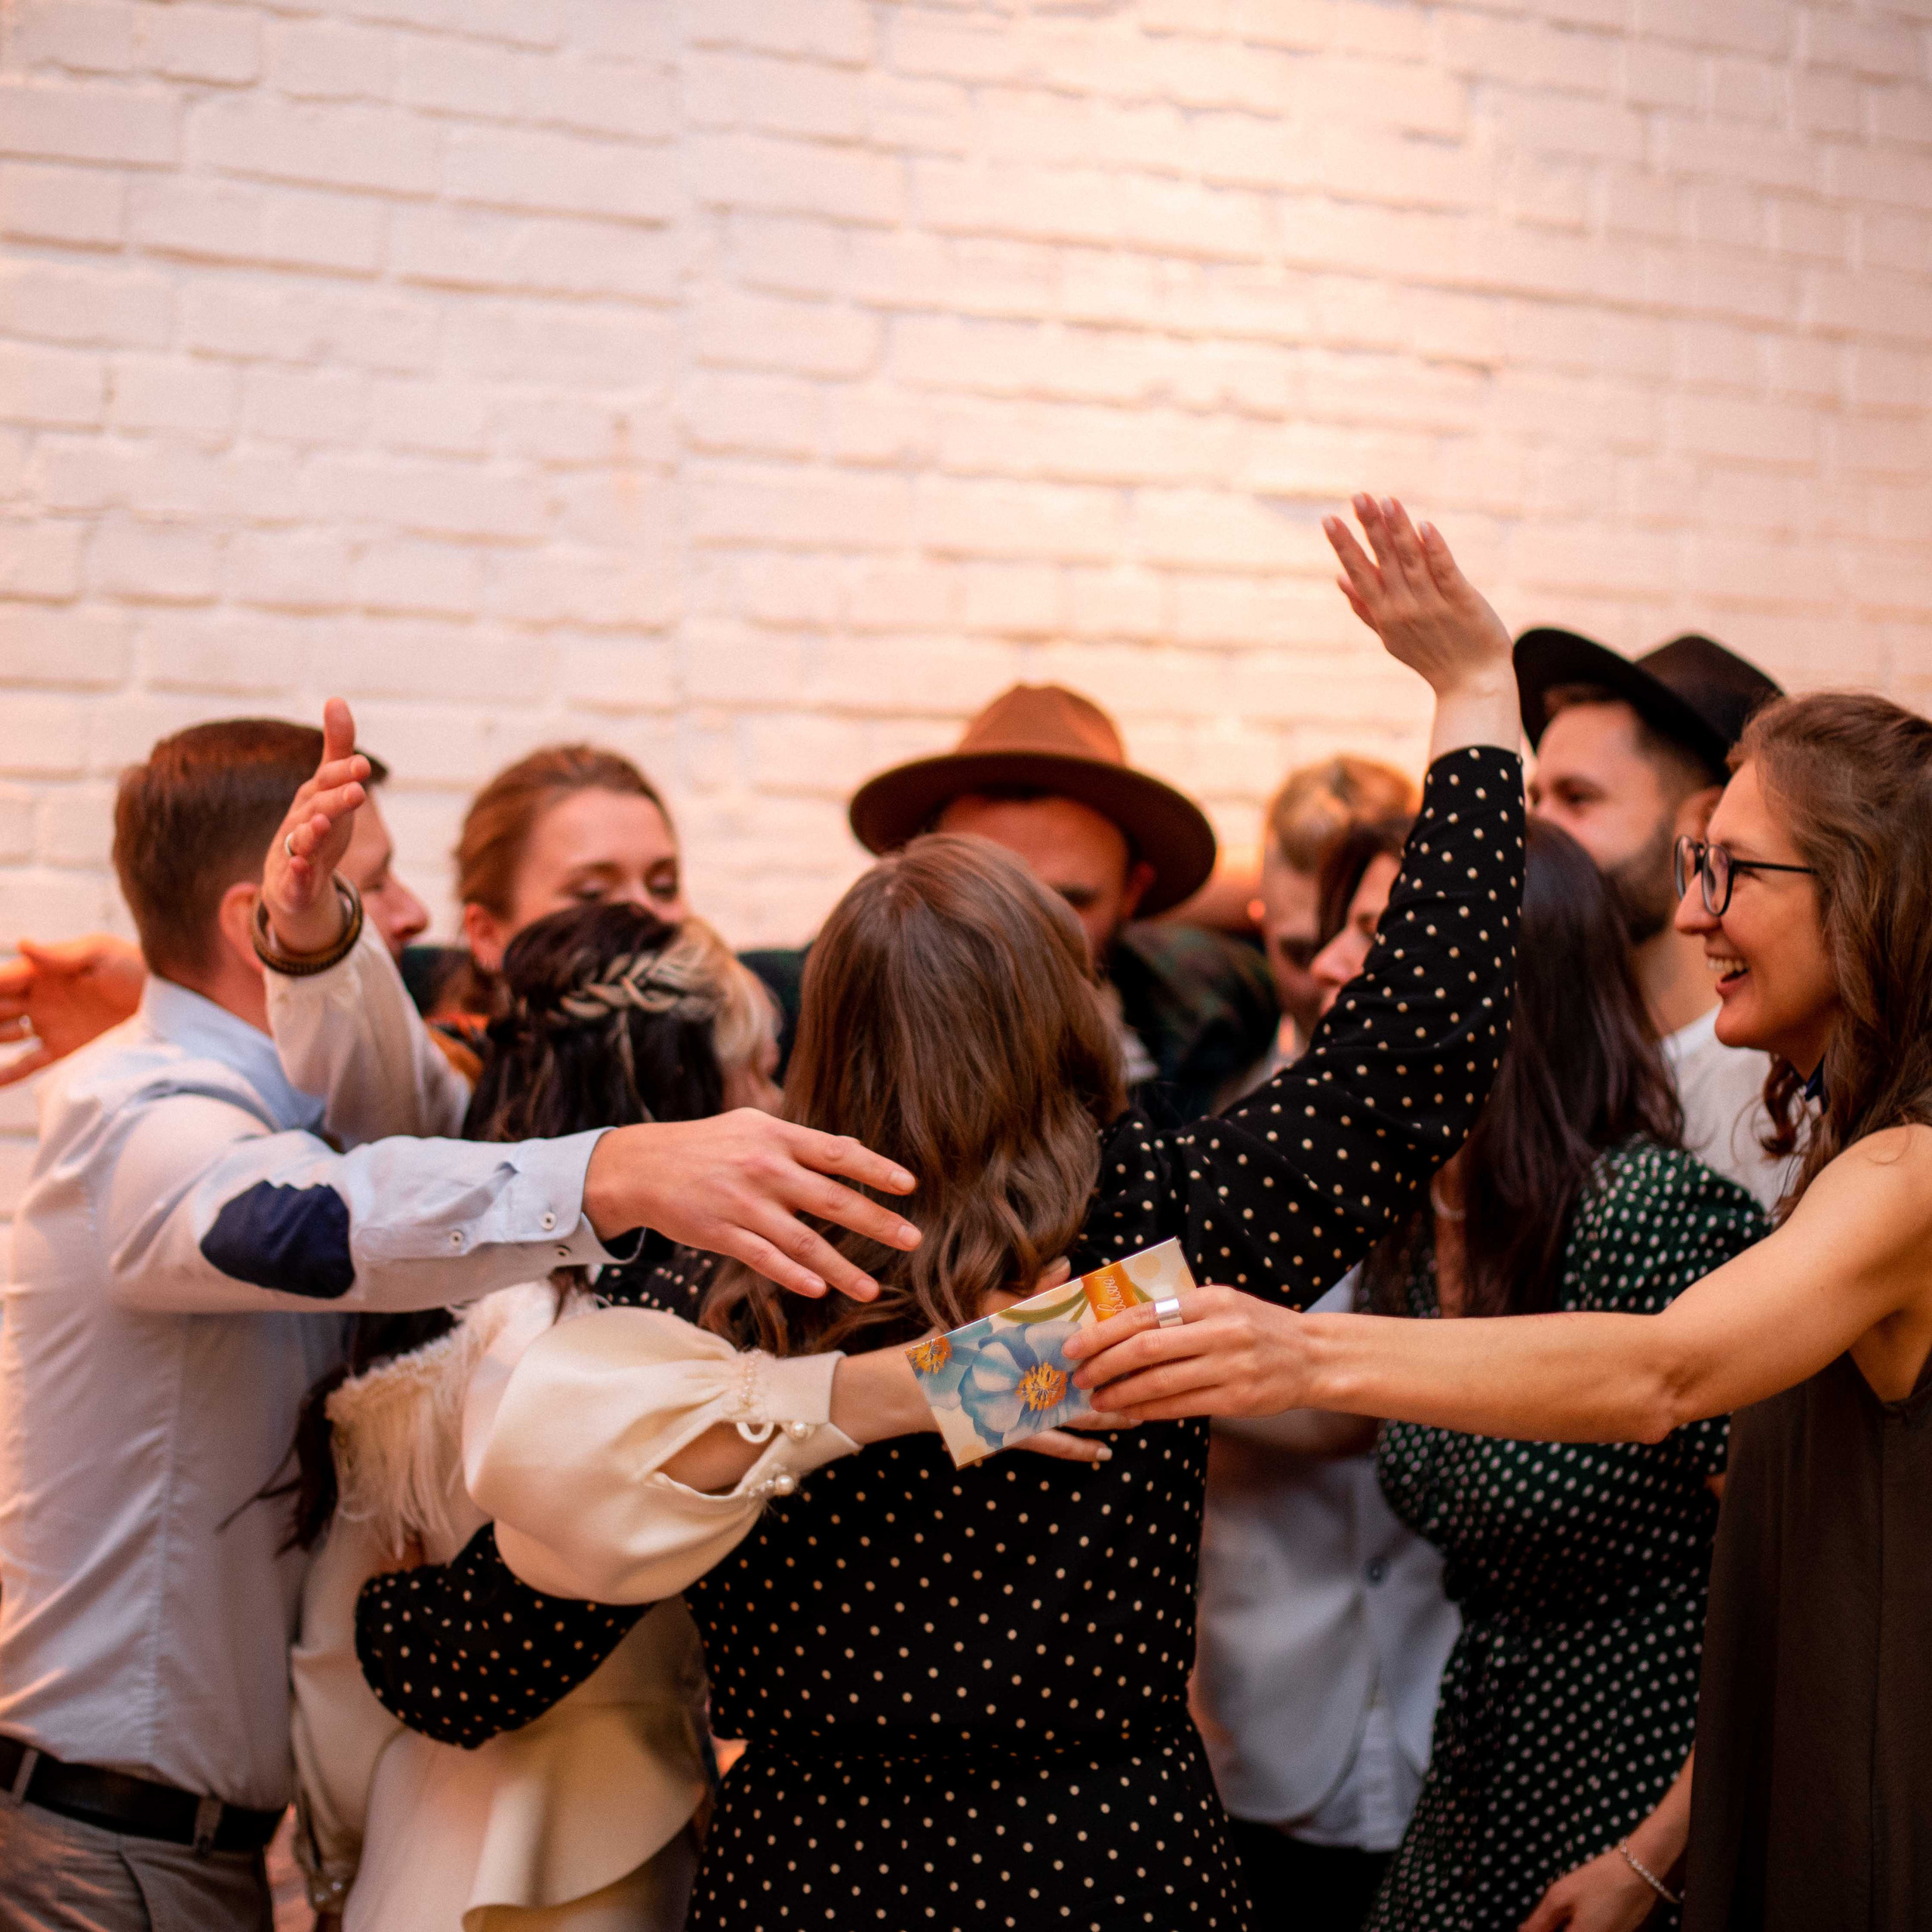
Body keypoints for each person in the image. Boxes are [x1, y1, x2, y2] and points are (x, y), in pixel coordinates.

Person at [353, 495, 1527, 1932]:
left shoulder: (729, 1270)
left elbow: (481, 1657)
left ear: (821, 1024)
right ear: (1064, 1014)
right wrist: (1474, 697)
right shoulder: (1153, 1236)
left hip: (818, 1870)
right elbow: (1414, 1051)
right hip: (1113, 1864)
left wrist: (373, 1602)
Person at [0, 711, 922, 1932]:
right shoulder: (155, 1118)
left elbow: (412, 1112)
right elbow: (304, 1217)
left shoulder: (358, 1132)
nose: (416, 924)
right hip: (143, 1847)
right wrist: (1018, 1371)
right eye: (375, 891)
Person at [1071, 687, 1932, 1932]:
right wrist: (971, 1372)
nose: (1690, 912)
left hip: (1796, 1764)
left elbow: (1667, 1377)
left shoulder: (1887, 1173)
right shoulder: (1419, 1220)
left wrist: (1299, 1349)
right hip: (1475, 1780)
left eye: (1729, 870)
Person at [286, 906, 777, 1932]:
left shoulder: (422, 1354)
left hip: (418, 1847)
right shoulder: (701, 1353)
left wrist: (336, 1864)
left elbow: (334, 1671)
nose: (772, 1103)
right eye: (760, 1073)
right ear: (686, 1098)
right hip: (614, 1847)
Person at [1360, 820, 1765, 1930]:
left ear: (1509, 979)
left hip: (1645, 1761)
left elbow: (1782, 1577)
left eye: (1384, 939)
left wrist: (1653, 1854)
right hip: (1490, 1753)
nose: (1343, 969)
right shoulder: (1420, 1226)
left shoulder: (1647, 1218)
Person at [1195, 805, 1455, 1932]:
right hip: (1260, 1718)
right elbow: (1035, 1367)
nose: (1336, 966)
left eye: (1379, 932)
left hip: (1472, 1722)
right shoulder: (1215, 1148)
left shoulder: (1558, 1188)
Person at [829, 681, 1278, 1122]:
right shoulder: (844, 1015)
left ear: (1133, 891)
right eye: (985, 895)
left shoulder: (1201, 1005)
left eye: (1068, 903)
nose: (1026, 936)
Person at [1515, 629, 1786, 1206]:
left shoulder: (1776, 1100)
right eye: (1535, 800)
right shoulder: (1537, 1060)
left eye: (1577, 798)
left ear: (1706, 825)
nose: (1537, 832)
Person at [0, 747, 429, 1089]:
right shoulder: (182, 1128)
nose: (418, 914)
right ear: (258, 926)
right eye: (371, 887)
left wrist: (171, 1006)